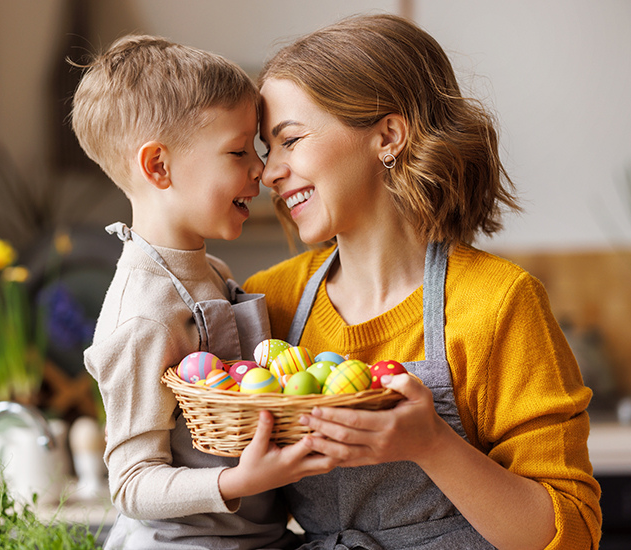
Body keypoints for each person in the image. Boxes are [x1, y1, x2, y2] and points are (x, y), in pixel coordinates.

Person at [244, 14, 601, 550]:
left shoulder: (497, 303)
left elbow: (571, 534)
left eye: (290, 140)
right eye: (268, 151)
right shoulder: (272, 300)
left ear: (388, 135)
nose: (270, 172)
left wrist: (433, 443)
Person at [72, 35, 332, 549]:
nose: (261, 168)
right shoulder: (144, 313)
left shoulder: (208, 269)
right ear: (158, 167)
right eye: (238, 151)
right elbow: (130, 484)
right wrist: (238, 481)